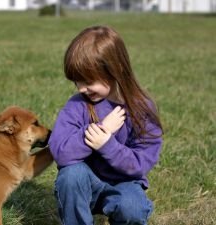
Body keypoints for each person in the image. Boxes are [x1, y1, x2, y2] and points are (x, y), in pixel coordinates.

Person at [48, 25, 163, 225]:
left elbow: (141, 163)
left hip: (124, 183)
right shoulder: (77, 105)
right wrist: (102, 130)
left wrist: (107, 144)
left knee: (132, 208)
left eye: (88, 81)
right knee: (70, 176)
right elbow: (60, 152)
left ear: (115, 70)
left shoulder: (141, 108)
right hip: (85, 183)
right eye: (77, 82)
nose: (82, 88)